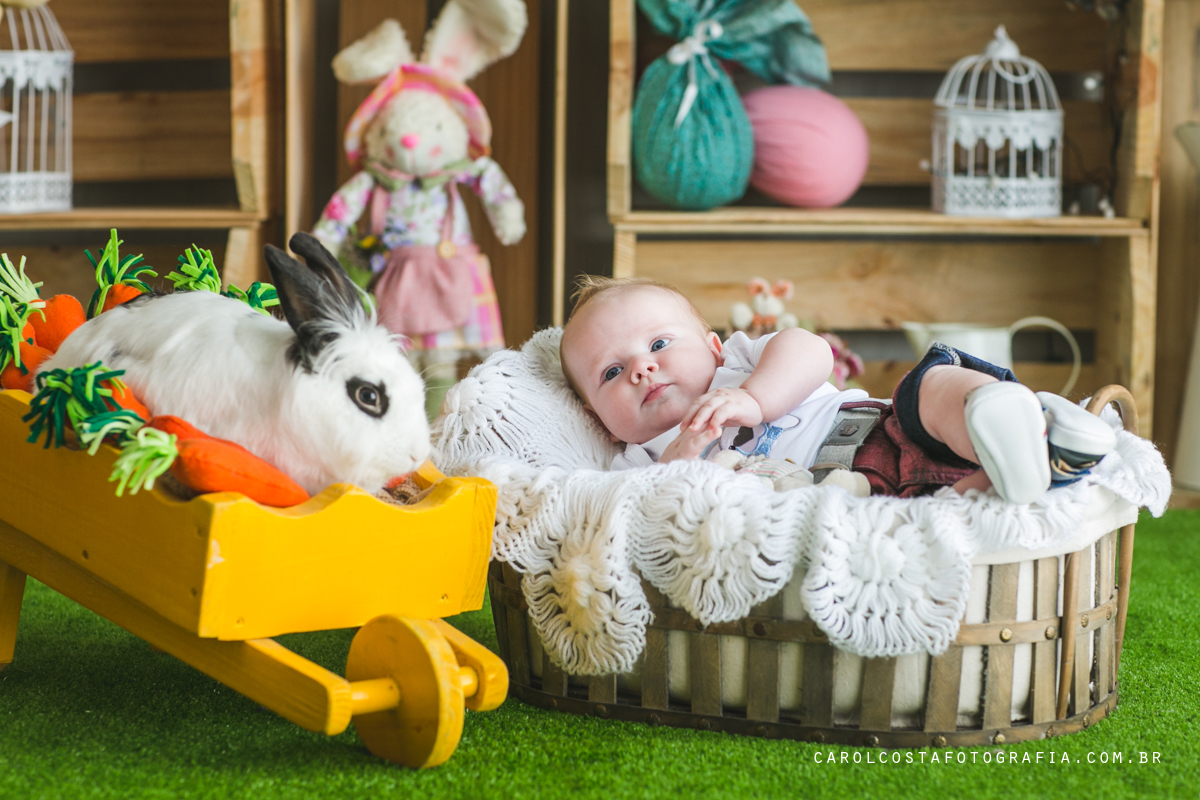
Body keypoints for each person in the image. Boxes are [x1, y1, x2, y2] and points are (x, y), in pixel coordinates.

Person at [558, 276, 1116, 503]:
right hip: (870, 501)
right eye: (611, 372)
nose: (642, 370)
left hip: (884, 428)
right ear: (594, 415)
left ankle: (999, 409)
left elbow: (812, 350)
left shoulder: (743, 363)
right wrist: (677, 469)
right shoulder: (635, 463)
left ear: (712, 347)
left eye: (658, 344)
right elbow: (648, 522)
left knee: (924, 389)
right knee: (952, 508)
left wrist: (754, 398)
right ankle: (1042, 458)